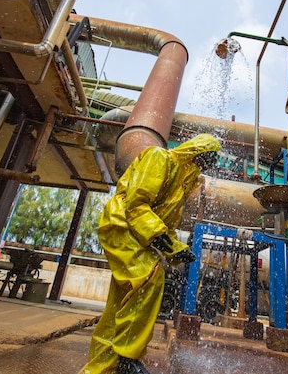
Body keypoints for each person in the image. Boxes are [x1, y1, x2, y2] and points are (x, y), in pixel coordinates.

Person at [79, 133, 221, 374]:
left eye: (209, 163)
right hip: (122, 222)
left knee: (120, 304)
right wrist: (155, 234)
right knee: (148, 277)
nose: (204, 166)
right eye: (204, 159)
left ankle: (100, 369)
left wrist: (177, 249)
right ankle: (126, 357)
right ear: (195, 152)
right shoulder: (160, 158)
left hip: (136, 230)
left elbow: (168, 225)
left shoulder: (182, 184)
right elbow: (136, 203)